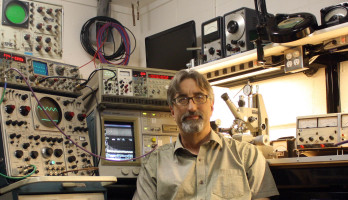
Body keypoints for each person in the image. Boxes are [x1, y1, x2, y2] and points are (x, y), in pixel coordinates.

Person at [133, 69, 279, 200]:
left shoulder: (247, 156)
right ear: (172, 110)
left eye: (199, 97)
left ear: (211, 105)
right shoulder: (154, 164)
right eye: (182, 100)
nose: (191, 107)